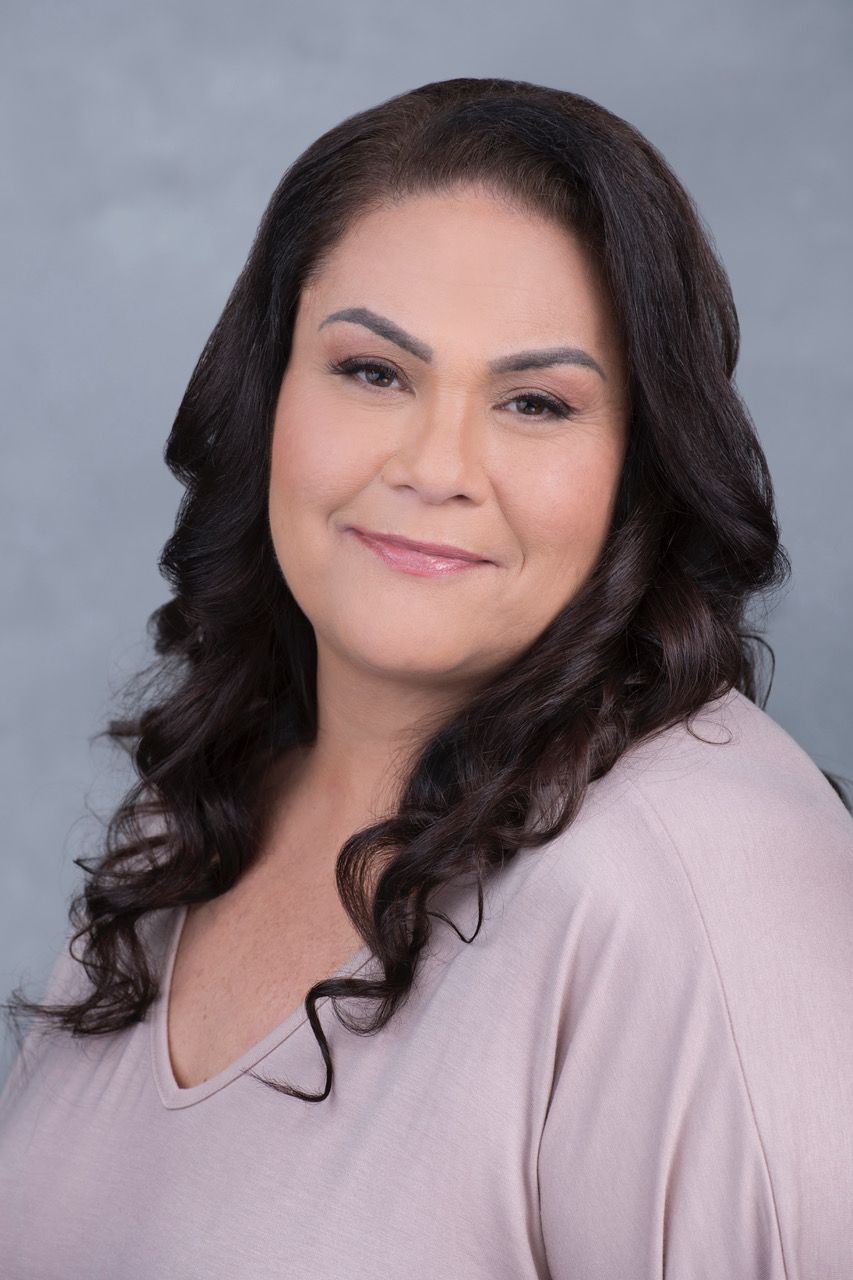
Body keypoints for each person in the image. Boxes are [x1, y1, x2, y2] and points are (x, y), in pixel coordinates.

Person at [1, 76, 851, 1279]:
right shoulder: (201, 805)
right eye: (373, 373)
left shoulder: (693, 889)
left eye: (534, 401)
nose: (437, 464)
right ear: (269, 395)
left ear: (642, 467)